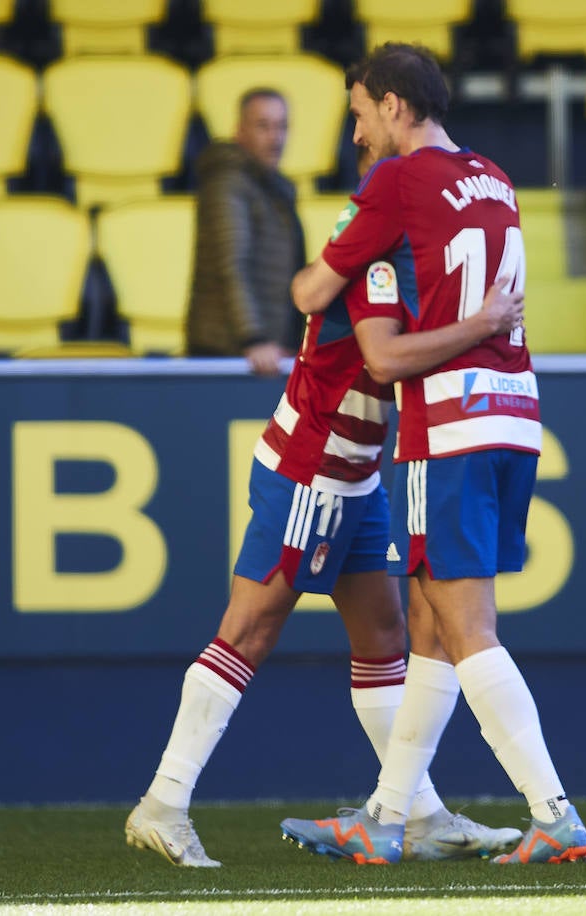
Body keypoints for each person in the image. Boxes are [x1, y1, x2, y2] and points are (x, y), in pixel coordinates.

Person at [124, 146, 529, 868]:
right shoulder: (381, 269)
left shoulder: (385, 256)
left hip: (355, 473)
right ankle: (164, 801)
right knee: (249, 629)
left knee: (383, 635)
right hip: (315, 467)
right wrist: (483, 324)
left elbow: (310, 289)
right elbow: (381, 358)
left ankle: (419, 813)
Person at [280, 43, 586, 866]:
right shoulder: (495, 178)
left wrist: (340, 273)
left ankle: (554, 811)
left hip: (449, 424)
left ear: (392, 104)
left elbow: (313, 291)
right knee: (428, 624)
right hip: (515, 413)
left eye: (359, 114)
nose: (356, 135)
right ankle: (386, 817)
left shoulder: (396, 182)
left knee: (464, 623)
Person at [185, 88, 306, 376]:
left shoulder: (276, 188)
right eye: (263, 126)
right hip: (229, 355)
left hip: (266, 352)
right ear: (239, 130)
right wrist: (253, 338)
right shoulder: (227, 181)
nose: (275, 138)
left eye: (282, 126)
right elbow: (231, 264)